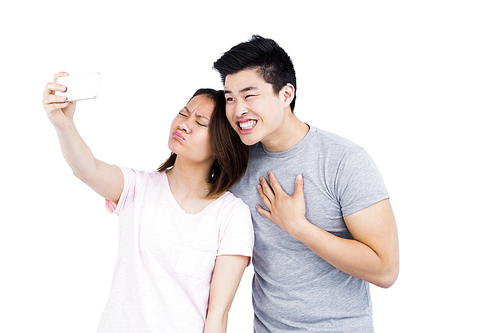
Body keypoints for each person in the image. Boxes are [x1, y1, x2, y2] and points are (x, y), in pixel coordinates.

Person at [42, 72, 254, 333]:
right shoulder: (137, 188)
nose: (184, 124)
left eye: (200, 122)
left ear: (221, 146)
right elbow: (87, 169)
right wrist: (64, 126)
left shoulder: (232, 214)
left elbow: (218, 314)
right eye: (183, 113)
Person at [213, 36, 400, 332]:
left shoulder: (344, 161)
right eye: (230, 98)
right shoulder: (237, 164)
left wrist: (298, 226)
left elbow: (385, 270)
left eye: (250, 95)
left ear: (286, 94)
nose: (237, 111)